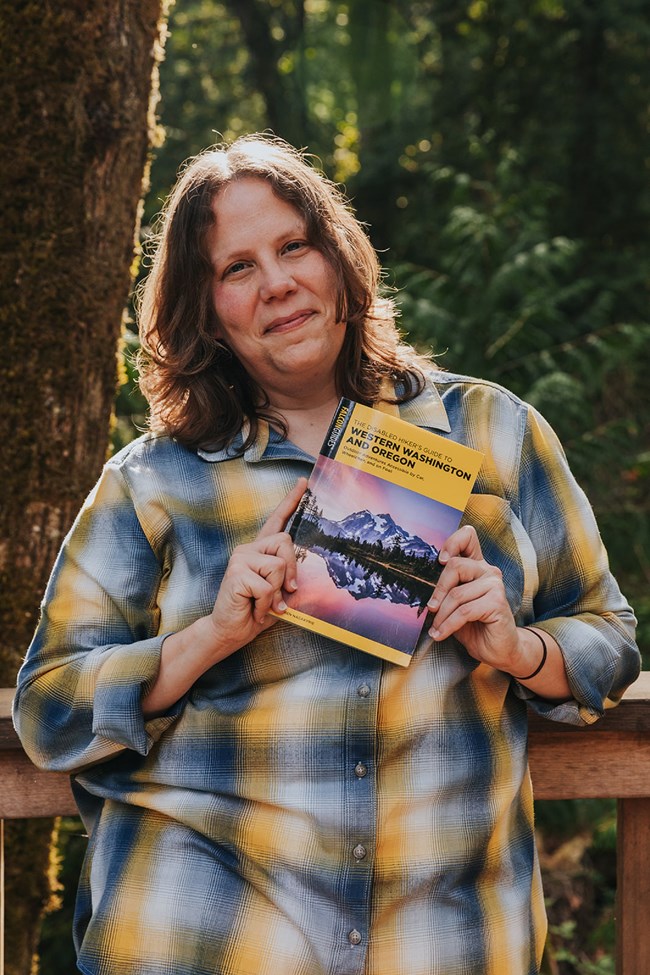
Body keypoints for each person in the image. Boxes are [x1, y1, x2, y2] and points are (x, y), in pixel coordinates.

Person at [14, 134, 640, 975]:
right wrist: (209, 636)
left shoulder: (495, 433)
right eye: (236, 268)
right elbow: (47, 707)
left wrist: (517, 646)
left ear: (338, 260)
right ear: (208, 314)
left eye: (292, 246)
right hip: (204, 936)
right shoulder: (151, 482)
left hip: (441, 939)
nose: (274, 282)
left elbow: (607, 633)